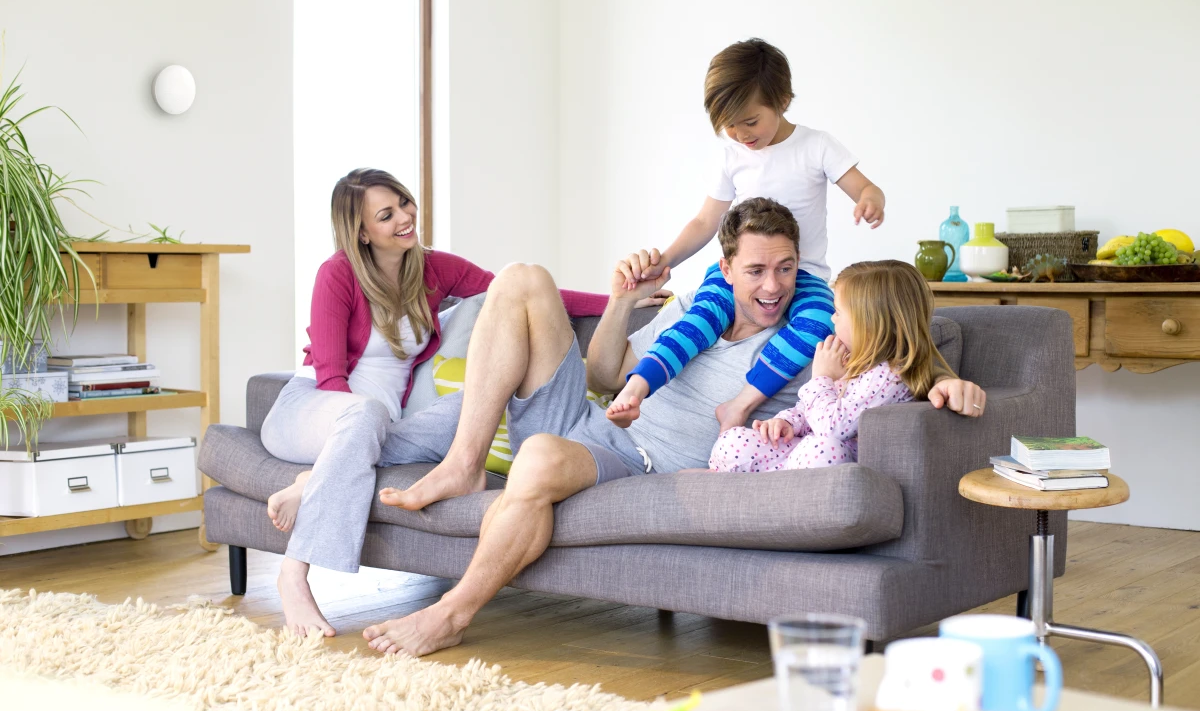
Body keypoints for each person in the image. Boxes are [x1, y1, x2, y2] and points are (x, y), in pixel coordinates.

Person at [364, 197, 985, 657]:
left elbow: (897, 345)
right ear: (726, 267)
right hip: (590, 417)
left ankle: (451, 614)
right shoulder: (694, 311)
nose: (773, 286)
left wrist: (946, 382)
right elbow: (604, 374)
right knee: (521, 277)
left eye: (787, 268)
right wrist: (622, 300)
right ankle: (465, 463)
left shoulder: (810, 338)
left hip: (639, 459)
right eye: (756, 270)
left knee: (539, 461)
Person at [257, 167, 611, 637]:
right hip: (313, 411)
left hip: (388, 428)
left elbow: (519, 294)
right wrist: (350, 440)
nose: (405, 217)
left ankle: (314, 481)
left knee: (479, 400)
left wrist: (619, 302)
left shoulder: (432, 268)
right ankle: (294, 574)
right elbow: (330, 375)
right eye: (386, 215)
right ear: (362, 232)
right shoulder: (337, 274)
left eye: (404, 203)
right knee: (363, 415)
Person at [608, 38, 887, 434]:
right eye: (729, 125)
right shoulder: (732, 155)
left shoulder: (816, 146)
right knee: (700, 319)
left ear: (783, 101)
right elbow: (705, 221)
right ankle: (636, 388)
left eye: (750, 121)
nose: (740, 134)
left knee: (816, 323)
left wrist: (869, 200)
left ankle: (739, 406)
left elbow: (865, 187)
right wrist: (664, 261)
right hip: (744, 272)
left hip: (802, 274)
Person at [709, 260, 953, 472]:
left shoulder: (889, 377)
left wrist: (822, 378)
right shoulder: (852, 360)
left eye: (838, 312)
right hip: (803, 454)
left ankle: (772, 487)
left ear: (868, 325)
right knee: (733, 441)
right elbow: (809, 410)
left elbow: (831, 429)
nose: (832, 318)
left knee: (822, 448)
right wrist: (787, 423)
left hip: (831, 459)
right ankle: (751, 480)